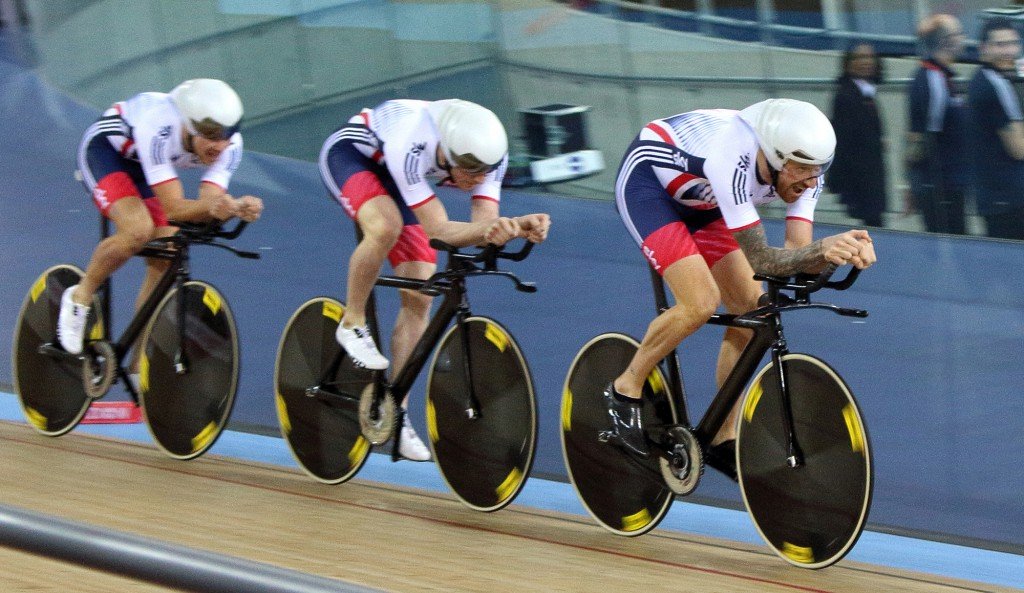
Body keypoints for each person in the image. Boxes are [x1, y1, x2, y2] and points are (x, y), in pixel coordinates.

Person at [605, 98, 876, 479]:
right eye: (801, 171)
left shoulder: (809, 170)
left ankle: (721, 436)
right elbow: (765, 261)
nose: (811, 182)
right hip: (651, 187)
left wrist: (839, 253)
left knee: (753, 309)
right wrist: (822, 250)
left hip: (708, 203)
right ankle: (625, 387)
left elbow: (796, 253)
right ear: (774, 157)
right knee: (700, 302)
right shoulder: (730, 158)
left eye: (818, 172)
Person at [319, 98, 551, 461]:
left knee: (421, 294)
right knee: (385, 227)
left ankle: (397, 413)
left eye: (483, 173)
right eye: (469, 171)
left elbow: (482, 223)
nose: (476, 179)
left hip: (400, 181)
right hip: (355, 156)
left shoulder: (490, 156)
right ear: (447, 152)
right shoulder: (412, 143)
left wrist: (513, 227)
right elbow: (440, 229)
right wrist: (492, 228)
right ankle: (352, 321)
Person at [58, 79, 264, 364]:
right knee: (137, 231)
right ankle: (79, 297)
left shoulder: (230, 146)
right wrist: (216, 207)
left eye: (227, 135)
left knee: (166, 254)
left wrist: (234, 207)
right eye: (211, 135)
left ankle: (138, 362)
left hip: (146, 168)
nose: (219, 145)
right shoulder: (158, 126)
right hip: (107, 154)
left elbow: (209, 202)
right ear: (189, 127)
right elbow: (175, 208)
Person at [905, 13, 968, 235]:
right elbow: (921, 138)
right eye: (959, 34)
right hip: (941, 186)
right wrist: (915, 185)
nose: (963, 39)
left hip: (950, 180)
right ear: (947, 41)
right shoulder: (933, 80)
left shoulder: (943, 77)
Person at [967, 18, 1024, 240]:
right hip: (1009, 200)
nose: (1008, 51)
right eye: (1000, 45)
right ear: (984, 48)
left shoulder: (982, 79)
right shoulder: (997, 85)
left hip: (996, 196)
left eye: (1012, 43)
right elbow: (1019, 148)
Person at [830, 43, 888, 228]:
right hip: (860, 180)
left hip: (870, 176)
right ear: (848, 63)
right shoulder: (846, 95)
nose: (866, 62)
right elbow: (844, 141)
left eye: (869, 57)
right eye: (860, 57)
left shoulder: (866, 92)